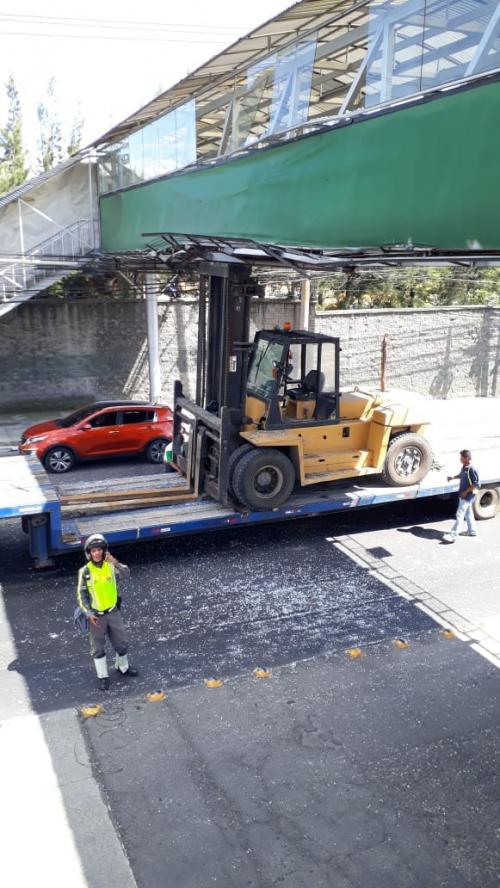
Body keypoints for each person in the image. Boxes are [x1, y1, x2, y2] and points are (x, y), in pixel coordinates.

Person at [76, 533, 138, 690]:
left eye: (99, 550)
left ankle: (122, 667)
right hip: (96, 617)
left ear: (104, 551)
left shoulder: (110, 567)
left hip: (113, 612)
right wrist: (89, 614)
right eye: (93, 551)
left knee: (122, 642)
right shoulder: (85, 571)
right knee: (97, 647)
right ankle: (103, 676)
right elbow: (80, 596)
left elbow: (126, 574)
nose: (97, 553)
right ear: (89, 553)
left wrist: (115, 562)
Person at [443, 449, 480, 543]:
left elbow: (476, 484)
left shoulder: (472, 468)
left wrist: (466, 492)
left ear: (467, 458)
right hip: (464, 494)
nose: (460, 459)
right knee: (468, 513)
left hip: (467, 496)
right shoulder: (465, 466)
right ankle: (472, 531)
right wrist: (452, 478)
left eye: (461, 457)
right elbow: (461, 475)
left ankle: (453, 536)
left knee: (459, 515)